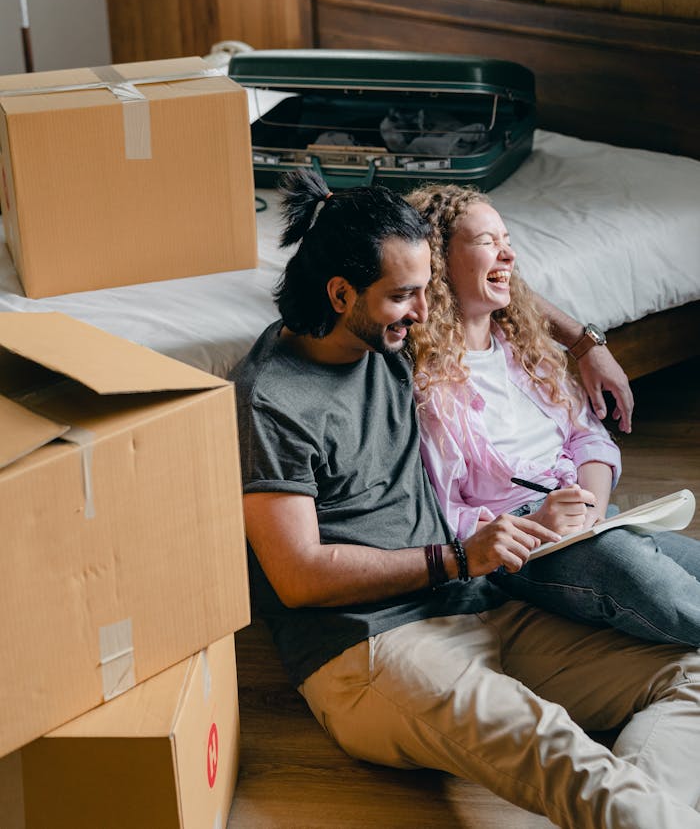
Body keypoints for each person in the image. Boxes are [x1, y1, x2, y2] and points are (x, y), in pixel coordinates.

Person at [231, 168, 700, 829]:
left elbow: (491, 277)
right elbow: (299, 576)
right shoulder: (273, 398)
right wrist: (458, 557)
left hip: (479, 610)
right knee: (559, 754)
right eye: (406, 297)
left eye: (426, 291)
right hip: (369, 649)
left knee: (691, 671)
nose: (426, 314)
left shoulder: (381, 335)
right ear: (339, 293)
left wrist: (586, 344)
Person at [406, 182, 700, 646]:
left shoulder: (527, 349)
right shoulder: (423, 386)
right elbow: (441, 513)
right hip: (519, 547)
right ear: (439, 261)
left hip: (587, 518)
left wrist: (593, 509)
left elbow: (589, 439)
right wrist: (541, 524)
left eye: (506, 240)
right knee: (645, 580)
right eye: (487, 242)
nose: (508, 255)